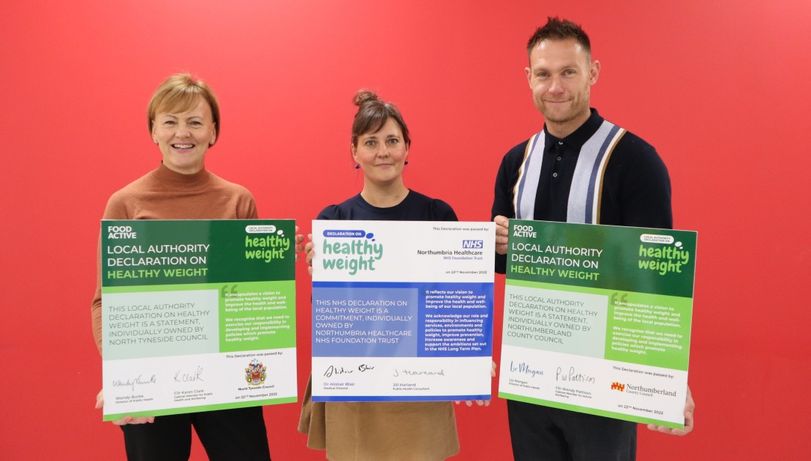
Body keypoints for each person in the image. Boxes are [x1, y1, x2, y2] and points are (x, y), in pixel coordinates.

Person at [491, 17, 695, 461]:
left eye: (569, 72)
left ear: (593, 73)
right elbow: (504, 265)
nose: (556, 86)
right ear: (528, 78)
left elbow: (656, 278)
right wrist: (496, 244)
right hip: (531, 371)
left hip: (604, 376)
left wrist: (667, 379)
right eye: (543, 74)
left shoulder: (635, 159)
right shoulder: (515, 163)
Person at [91, 73, 274, 461]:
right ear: (153, 131)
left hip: (226, 375)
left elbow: (254, 300)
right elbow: (105, 303)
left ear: (213, 131)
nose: (182, 132)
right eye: (170, 121)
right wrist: (123, 378)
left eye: (194, 121)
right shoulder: (126, 204)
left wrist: (273, 264)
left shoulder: (239, 201)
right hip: (151, 378)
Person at [298, 90, 462, 461]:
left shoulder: (438, 215)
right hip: (358, 383)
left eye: (392, 140)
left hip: (419, 381)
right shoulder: (334, 221)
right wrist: (317, 275)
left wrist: (470, 352)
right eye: (371, 142)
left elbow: (455, 301)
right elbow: (329, 314)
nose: (383, 151)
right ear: (354, 152)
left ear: (407, 147)